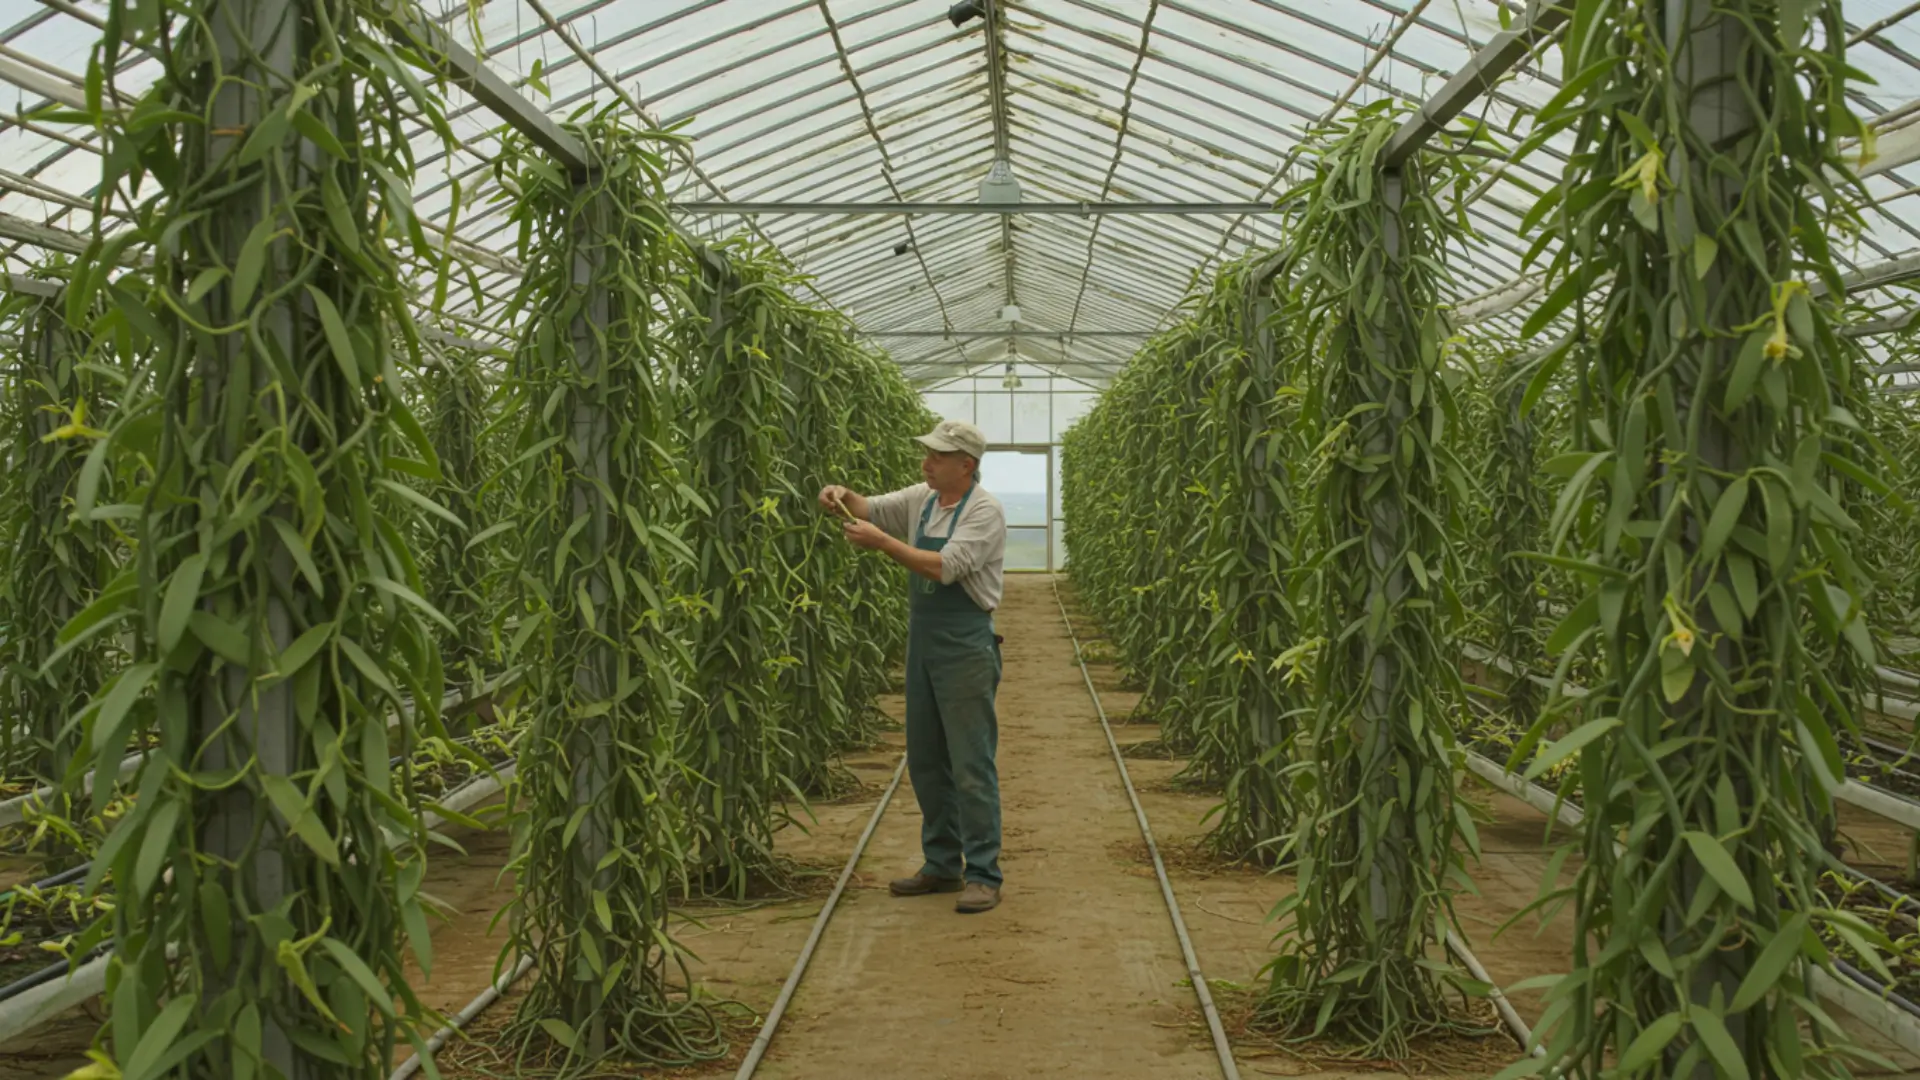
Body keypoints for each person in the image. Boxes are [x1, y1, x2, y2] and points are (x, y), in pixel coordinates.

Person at [819, 419, 1007, 914]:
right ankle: (942, 864)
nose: (926, 462)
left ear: (965, 465)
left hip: (966, 646)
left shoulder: (984, 511)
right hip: (924, 643)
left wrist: (881, 543)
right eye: (927, 454)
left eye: (938, 456)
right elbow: (869, 507)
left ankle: (984, 873)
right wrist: (842, 494)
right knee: (925, 758)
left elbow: (944, 567)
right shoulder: (924, 498)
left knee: (970, 762)